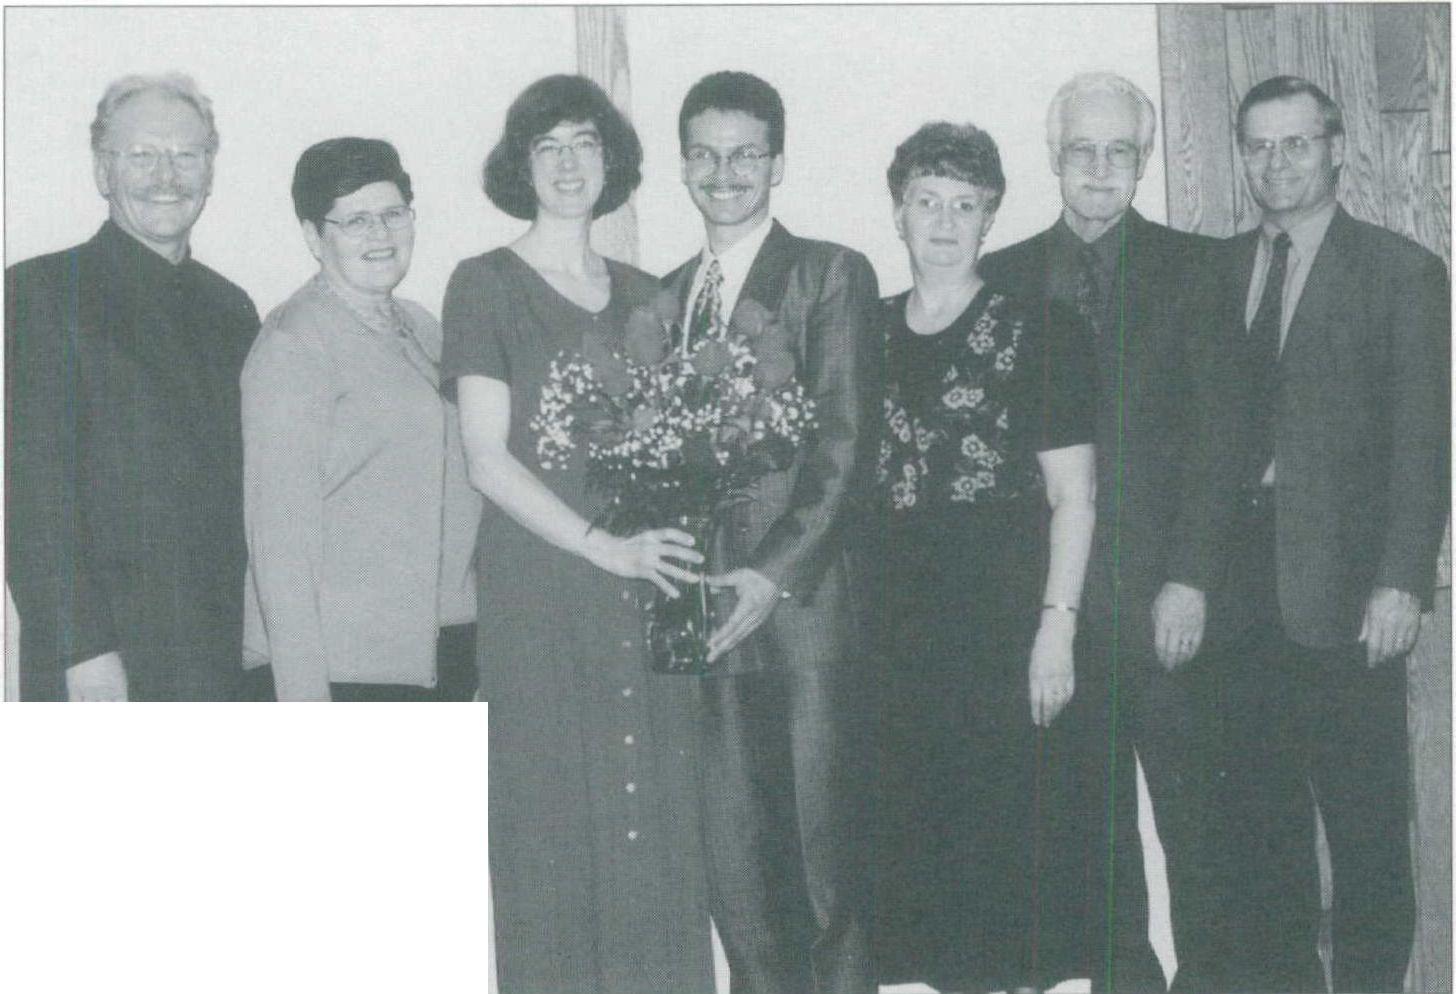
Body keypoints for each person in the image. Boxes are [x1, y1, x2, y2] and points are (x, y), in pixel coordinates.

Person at [440, 75, 713, 994]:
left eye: (585, 143)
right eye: (547, 145)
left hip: (644, 591)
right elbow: (486, 459)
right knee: (551, 828)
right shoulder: (483, 284)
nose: (567, 163)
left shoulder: (649, 294)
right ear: (520, 164)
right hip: (542, 590)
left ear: (612, 161)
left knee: (655, 825)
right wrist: (603, 546)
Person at [979, 72, 1236, 992]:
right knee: (1091, 840)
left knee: (1200, 835)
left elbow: (1221, 441)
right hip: (1057, 615)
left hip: (1167, 603)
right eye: (1082, 150)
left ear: (1145, 158)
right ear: (1054, 157)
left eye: (1118, 151)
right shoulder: (1000, 279)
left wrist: (1192, 578)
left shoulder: (1200, 270)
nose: (1099, 168)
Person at [1208, 75, 1449, 994]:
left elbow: (1424, 443)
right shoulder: (1216, 272)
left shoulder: (1400, 271)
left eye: (1296, 143)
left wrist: (1402, 580)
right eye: (1259, 146)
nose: (1277, 163)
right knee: (1260, 836)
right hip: (1236, 604)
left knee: (1366, 835)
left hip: (1347, 602)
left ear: (1336, 149)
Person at [664, 71, 883, 994]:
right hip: (702, 620)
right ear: (682, 165)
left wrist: (768, 575)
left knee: (823, 865)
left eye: (745, 154)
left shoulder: (829, 273)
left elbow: (845, 446)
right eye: (706, 155)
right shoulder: (666, 298)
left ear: (778, 163)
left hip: (802, 616)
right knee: (735, 869)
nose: (725, 173)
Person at [873, 121, 1097, 994]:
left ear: (990, 216)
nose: (943, 221)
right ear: (898, 212)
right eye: (926, 201)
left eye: (964, 205)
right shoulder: (864, 332)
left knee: (1007, 859)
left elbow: (1074, 496)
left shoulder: (1042, 330)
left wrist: (1057, 628)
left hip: (1002, 624)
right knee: (922, 862)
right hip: (898, 632)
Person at [5, 72, 259, 701]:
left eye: (186, 155)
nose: (166, 176)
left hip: (223, 654)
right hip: (104, 665)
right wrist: (81, 649)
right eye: (142, 155)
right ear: (103, 170)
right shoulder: (40, 293)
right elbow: (34, 493)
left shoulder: (232, 309)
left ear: (209, 171)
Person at [239, 138, 479, 702]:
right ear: (313, 236)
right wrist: (303, 695)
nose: (381, 234)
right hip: (344, 667)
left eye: (393, 214)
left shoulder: (424, 327)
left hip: (445, 650)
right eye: (355, 221)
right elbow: (279, 540)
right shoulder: (295, 343)